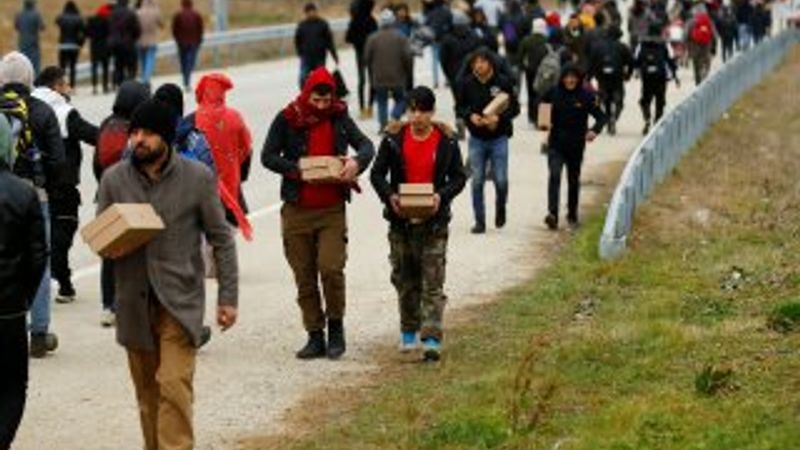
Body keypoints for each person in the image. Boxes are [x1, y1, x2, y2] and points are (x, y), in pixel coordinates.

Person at [96, 99, 238, 450]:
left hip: (180, 303)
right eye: (135, 133)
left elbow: (222, 239)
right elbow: (101, 238)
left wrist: (228, 298)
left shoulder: (198, 178)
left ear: (167, 138)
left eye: (147, 134)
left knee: (173, 387)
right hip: (133, 303)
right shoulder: (114, 179)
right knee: (148, 396)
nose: (138, 140)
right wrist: (113, 246)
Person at [262, 68, 374, 360]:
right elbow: (267, 156)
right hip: (297, 210)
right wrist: (297, 169)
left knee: (331, 269)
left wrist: (356, 162)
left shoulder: (339, 116)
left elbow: (366, 145)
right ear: (307, 94)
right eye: (317, 100)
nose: (322, 106)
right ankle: (315, 334)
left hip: (331, 211)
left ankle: (336, 328)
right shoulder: (288, 117)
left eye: (327, 100)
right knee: (305, 275)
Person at [370, 86, 466, 362]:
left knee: (433, 280)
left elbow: (459, 177)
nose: (417, 116)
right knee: (405, 277)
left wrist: (441, 196)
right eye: (412, 110)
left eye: (423, 110)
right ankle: (409, 330)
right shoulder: (393, 139)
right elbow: (377, 174)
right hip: (401, 222)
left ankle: (432, 336)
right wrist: (390, 197)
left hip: (434, 221)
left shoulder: (446, 140)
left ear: (432, 112)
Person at [0, 52, 66, 358]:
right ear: (29, 78)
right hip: (34, 197)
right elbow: (58, 160)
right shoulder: (41, 110)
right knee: (38, 258)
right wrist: (46, 187)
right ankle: (38, 333)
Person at [0, 115, 48, 450]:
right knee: (12, 385)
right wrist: (24, 299)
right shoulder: (22, 192)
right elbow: (37, 257)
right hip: (8, 310)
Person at [31, 66, 98, 305]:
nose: (69, 88)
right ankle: (64, 285)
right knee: (62, 234)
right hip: (61, 185)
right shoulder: (64, 112)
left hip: (30, 184)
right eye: (66, 84)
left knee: (37, 237)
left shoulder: (26, 106)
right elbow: (94, 135)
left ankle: (37, 287)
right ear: (56, 86)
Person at [94, 80, 150, 326]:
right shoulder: (137, 129)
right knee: (134, 252)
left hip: (107, 192)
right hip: (131, 194)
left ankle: (108, 306)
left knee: (109, 250)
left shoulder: (106, 124)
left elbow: (97, 162)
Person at [456, 48, 520, 234]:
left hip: (499, 138)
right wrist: (470, 116)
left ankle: (501, 207)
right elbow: (460, 107)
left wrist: (500, 119)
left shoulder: (503, 82)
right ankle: (480, 221)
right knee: (477, 181)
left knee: (501, 180)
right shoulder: (466, 83)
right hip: (476, 138)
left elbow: (515, 108)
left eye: (482, 62)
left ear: (490, 63)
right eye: (475, 62)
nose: (478, 65)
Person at [540, 64, 607, 231]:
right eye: (567, 77)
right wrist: (543, 121)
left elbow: (601, 117)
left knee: (573, 181)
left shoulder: (586, 96)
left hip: (576, 145)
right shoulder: (553, 93)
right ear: (562, 78)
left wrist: (594, 131)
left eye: (573, 77)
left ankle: (572, 216)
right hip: (555, 144)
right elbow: (541, 107)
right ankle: (552, 214)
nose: (570, 80)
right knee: (554, 176)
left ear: (578, 79)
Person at [194, 74, 253, 235]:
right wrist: (240, 174)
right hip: (231, 186)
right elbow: (247, 149)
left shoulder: (193, 120)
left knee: (205, 248)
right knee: (227, 245)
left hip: (202, 191)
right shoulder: (235, 117)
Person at [364, 9, 414, 131]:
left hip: (379, 76)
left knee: (382, 101)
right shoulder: (401, 37)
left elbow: (366, 58)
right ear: (393, 22)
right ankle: (395, 115)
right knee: (401, 99)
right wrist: (408, 72)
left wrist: (372, 71)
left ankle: (383, 125)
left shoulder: (372, 38)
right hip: (398, 76)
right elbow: (408, 57)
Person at [586, 26, 634, 135]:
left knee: (605, 99)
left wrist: (589, 77)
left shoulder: (597, 46)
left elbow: (592, 62)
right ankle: (615, 114)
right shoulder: (622, 47)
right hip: (617, 77)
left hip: (602, 77)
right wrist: (628, 74)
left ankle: (608, 118)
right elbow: (631, 62)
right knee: (619, 98)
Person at [634, 24, 679, 134]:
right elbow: (670, 60)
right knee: (660, 100)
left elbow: (636, 59)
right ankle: (657, 123)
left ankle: (647, 117)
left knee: (645, 100)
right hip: (660, 76)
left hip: (647, 77)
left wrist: (635, 71)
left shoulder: (642, 44)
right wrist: (675, 76)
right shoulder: (664, 44)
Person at [294, 3, 340, 89]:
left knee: (320, 79)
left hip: (320, 57)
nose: (311, 13)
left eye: (313, 11)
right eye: (309, 12)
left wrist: (334, 56)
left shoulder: (323, 24)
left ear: (316, 11)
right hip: (306, 57)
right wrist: (300, 52)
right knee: (303, 77)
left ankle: (319, 95)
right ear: (306, 13)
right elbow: (297, 40)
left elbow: (329, 41)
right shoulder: (302, 25)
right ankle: (305, 95)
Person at [345, 0, 378, 119]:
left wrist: (357, 42)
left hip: (359, 54)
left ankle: (362, 108)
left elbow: (348, 38)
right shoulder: (372, 20)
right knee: (372, 81)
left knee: (362, 81)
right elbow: (377, 37)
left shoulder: (354, 21)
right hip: (372, 55)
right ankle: (370, 108)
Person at [518, 18, 550, 125]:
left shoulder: (526, 40)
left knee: (530, 93)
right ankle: (540, 118)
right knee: (541, 94)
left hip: (530, 70)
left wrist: (523, 68)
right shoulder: (546, 40)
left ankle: (531, 117)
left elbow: (520, 56)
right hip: (543, 71)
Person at [172, 0, 204, 91]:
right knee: (190, 62)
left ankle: (186, 80)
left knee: (183, 62)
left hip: (181, 43)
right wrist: (199, 40)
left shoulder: (178, 15)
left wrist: (177, 40)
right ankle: (187, 80)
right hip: (193, 42)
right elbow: (200, 29)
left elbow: (174, 29)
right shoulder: (196, 15)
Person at [109, 0, 142, 88]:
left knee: (118, 65)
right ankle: (129, 85)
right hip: (128, 43)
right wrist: (134, 38)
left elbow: (108, 29)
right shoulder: (130, 13)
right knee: (131, 65)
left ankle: (119, 85)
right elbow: (137, 29)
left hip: (115, 44)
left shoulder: (112, 14)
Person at [55, 1, 85, 89]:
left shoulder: (61, 17)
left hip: (63, 45)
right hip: (74, 46)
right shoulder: (78, 18)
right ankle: (72, 85)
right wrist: (81, 43)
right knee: (72, 67)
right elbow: (82, 32)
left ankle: (61, 86)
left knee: (62, 67)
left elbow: (56, 21)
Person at [422, 0, 452, 89]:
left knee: (434, 62)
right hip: (444, 39)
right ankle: (447, 80)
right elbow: (451, 24)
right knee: (446, 60)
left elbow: (426, 24)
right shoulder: (447, 12)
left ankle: (435, 82)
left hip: (434, 39)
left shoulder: (431, 13)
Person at [87, 3, 113, 94]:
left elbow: (87, 33)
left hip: (94, 47)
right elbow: (110, 34)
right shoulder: (107, 22)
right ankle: (105, 87)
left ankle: (94, 87)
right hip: (105, 47)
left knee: (94, 67)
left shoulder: (91, 20)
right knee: (105, 67)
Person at [686, 9, 717, 85]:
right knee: (706, 62)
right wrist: (714, 48)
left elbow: (685, 34)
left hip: (694, 46)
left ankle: (698, 82)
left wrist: (686, 47)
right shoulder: (708, 21)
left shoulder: (690, 22)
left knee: (696, 64)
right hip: (706, 46)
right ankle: (704, 75)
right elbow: (714, 35)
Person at [14, 0, 45, 76]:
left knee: (23, 62)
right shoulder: (36, 14)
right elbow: (42, 27)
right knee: (35, 64)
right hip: (33, 43)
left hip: (22, 42)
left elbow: (16, 27)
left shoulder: (19, 14)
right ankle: (35, 82)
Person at [137, 0, 163, 87]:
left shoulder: (138, 12)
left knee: (143, 60)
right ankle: (146, 79)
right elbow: (161, 24)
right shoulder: (156, 12)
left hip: (140, 40)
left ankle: (144, 77)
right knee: (150, 59)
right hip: (152, 39)